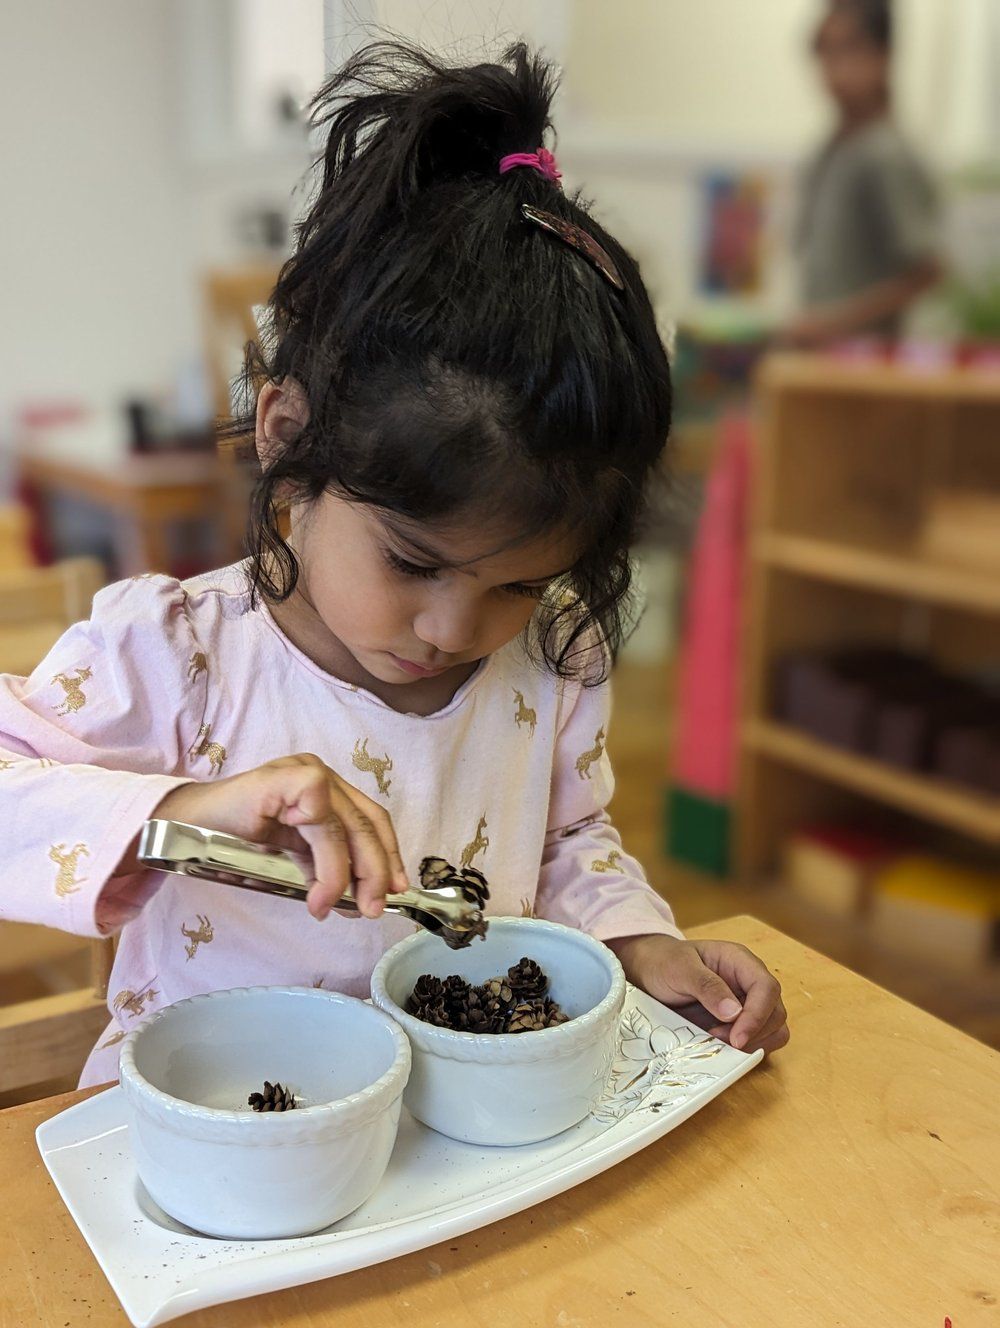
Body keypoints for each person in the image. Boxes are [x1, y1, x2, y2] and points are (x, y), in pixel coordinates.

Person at [0, 43, 788, 1087]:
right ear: (288, 435)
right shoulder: (176, 651)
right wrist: (183, 808)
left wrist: (640, 943)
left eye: (515, 582)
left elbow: (567, 842)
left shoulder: (553, 657)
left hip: (459, 1128)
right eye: (412, 561)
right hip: (216, 1146)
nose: (453, 630)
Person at [783, 0, 941, 346]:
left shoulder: (887, 152)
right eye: (824, 52)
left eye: (848, 49)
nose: (833, 68)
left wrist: (831, 324)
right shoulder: (832, 147)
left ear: (883, 55)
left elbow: (927, 272)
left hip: (866, 368)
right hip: (821, 360)